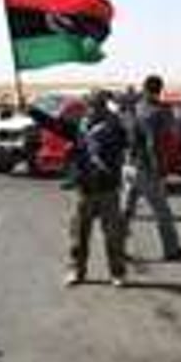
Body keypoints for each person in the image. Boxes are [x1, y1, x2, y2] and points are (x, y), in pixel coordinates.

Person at [29, 90, 129, 288]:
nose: (91, 109)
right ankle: (76, 270)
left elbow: (127, 141)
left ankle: (117, 272)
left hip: (108, 189)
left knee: (113, 236)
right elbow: (55, 125)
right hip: (85, 189)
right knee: (79, 235)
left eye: (95, 105)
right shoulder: (80, 127)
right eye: (90, 105)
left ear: (103, 106)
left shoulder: (115, 126)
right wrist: (32, 111)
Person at [123, 74, 181, 261]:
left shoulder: (134, 108)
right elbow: (154, 143)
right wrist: (158, 169)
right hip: (146, 167)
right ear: (159, 90)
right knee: (162, 212)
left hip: (129, 165)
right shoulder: (158, 111)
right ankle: (171, 249)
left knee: (126, 211)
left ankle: (117, 247)